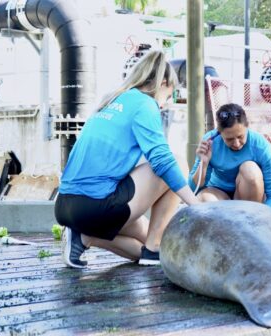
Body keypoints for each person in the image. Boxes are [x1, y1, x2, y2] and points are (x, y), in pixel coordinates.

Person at [55, 50, 200, 269]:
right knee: (177, 162)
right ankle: (152, 251)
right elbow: (162, 161)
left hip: (65, 204)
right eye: (168, 96)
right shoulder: (145, 104)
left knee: (144, 236)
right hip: (95, 206)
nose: (164, 104)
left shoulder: (112, 100)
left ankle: (85, 238)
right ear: (162, 83)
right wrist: (196, 205)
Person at [189, 103, 271, 208]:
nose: (236, 144)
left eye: (240, 136)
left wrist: (263, 216)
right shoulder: (210, 142)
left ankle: (249, 219)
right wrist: (204, 163)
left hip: (249, 198)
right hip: (219, 194)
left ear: (247, 126)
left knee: (250, 170)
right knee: (205, 199)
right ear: (219, 133)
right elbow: (193, 189)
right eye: (229, 139)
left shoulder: (261, 145)